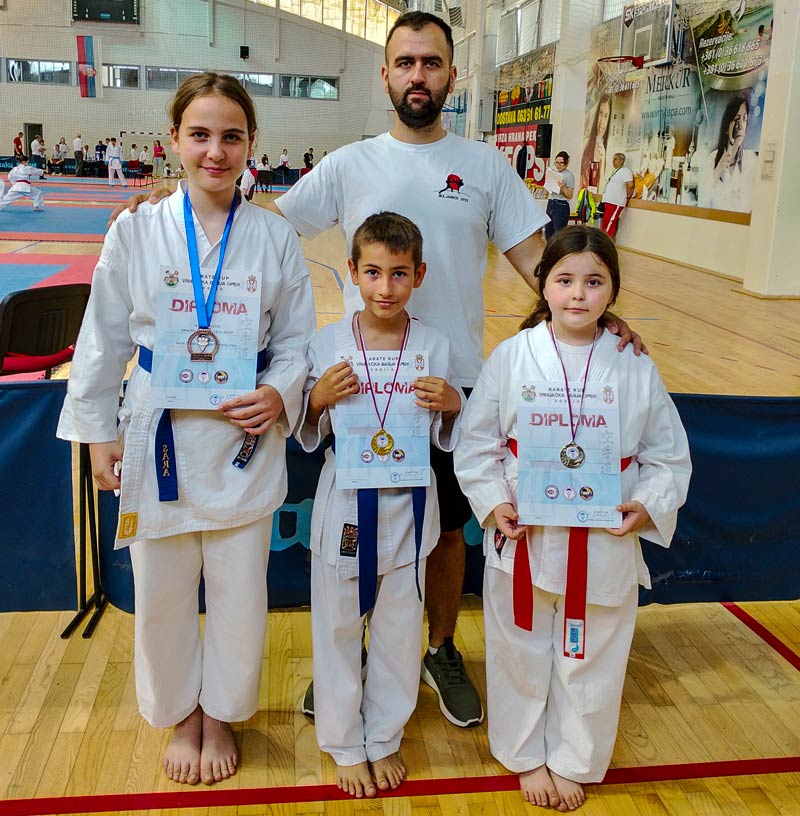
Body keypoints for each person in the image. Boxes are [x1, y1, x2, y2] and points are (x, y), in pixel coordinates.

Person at [110, 11, 643, 730]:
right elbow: (260, 224)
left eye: (432, 62)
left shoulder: (485, 166)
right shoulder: (348, 163)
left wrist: (598, 312)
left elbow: (539, 265)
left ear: (452, 74)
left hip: (447, 383)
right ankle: (349, 657)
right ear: (385, 73)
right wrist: (178, 200)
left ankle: (441, 648)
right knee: (357, 522)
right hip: (360, 384)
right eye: (406, 62)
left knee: (445, 530)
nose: (418, 75)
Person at [57, 71, 315, 788]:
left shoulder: (273, 235)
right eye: (199, 135)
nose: (215, 151)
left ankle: (222, 712)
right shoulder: (136, 229)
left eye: (231, 136)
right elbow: (102, 336)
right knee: (163, 589)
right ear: (173, 140)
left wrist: (279, 391)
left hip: (241, 434)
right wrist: (97, 430)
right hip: (157, 431)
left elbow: (297, 340)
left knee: (239, 590)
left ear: (252, 143)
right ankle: (178, 711)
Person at [454, 226, 691, 812]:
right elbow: (477, 441)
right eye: (564, 280)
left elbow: (667, 454)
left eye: (594, 282)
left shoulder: (634, 364)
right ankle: (523, 754)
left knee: (593, 652)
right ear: (543, 285)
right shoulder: (513, 356)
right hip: (526, 529)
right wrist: (493, 501)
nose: (578, 294)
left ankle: (574, 757)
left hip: (603, 532)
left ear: (613, 290)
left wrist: (648, 504)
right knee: (519, 647)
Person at [299, 211, 462, 798]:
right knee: (337, 623)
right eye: (372, 272)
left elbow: (446, 433)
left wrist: (453, 405)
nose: (385, 287)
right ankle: (344, 742)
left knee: (398, 626)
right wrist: (315, 400)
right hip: (346, 501)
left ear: (419, 275)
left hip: (411, 502)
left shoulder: (434, 346)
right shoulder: (327, 343)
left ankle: (385, 736)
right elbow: (308, 427)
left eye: (398, 273)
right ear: (351, 272)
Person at [698, 93, 757, 213]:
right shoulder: (712, 159)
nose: (741, 126)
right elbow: (702, 203)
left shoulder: (751, 161)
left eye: (744, 119)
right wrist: (717, 171)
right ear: (727, 125)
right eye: (736, 119)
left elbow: (750, 207)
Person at [580, 94, 610, 190]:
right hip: (582, 196)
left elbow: (601, 190)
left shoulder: (606, 154)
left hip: (594, 197)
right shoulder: (586, 143)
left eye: (606, 116)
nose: (602, 122)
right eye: (600, 113)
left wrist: (602, 161)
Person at [600, 153, 634, 239]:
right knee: (605, 221)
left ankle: (606, 242)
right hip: (609, 201)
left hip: (616, 202)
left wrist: (628, 197)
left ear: (622, 161)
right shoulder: (616, 171)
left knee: (610, 221)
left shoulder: (625, 171)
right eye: (613, 159)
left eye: (615, 159)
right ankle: (603, 241)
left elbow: (630, 185)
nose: (613, 161)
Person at [544, 151, 575, 240]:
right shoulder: (553, 173)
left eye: (561, 163)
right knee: (548, 231)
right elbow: (545, 193)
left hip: (561, 204)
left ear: (566, 163)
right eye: (557, 163)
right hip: (551, 202)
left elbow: (570, 195)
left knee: (559, 233)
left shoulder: (569, 175)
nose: (559, 165)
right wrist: (547, 183)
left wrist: (563, 187)